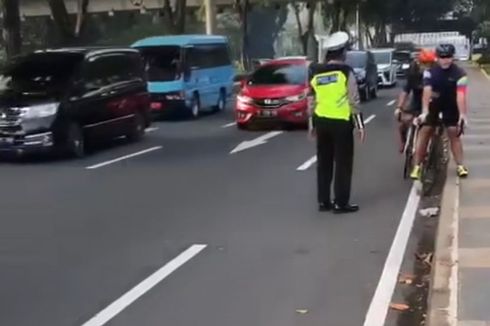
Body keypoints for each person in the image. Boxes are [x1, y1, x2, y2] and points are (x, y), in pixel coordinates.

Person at [308, 31, 366, 214]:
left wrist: (312, 124)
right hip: (341, 123)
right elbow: (353, 99)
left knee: (324, 163)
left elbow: (311, 100)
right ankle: (341, 203)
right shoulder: (345, 72)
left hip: (321, 122)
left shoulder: (315, 72)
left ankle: (324, 202)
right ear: (342, 54)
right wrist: (360, 125)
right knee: (343, 163)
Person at [410, 43, 469, 179]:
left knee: (453, 132)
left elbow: (461, 95)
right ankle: (417, 166)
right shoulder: (430, 72)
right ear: (437, 58)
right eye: (442, 57)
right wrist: (424, 112)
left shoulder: (460, 73)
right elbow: (427, 91)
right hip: (434, 104)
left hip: (451, 104)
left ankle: (460, 165)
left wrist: (462, 115)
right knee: (425, 131)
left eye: (448, 57)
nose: (445, 60)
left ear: (452, 57)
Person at [394, 49, 437, 153]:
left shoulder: (437, 73)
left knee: (437, 127)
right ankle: (404, 142)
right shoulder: (413, 72)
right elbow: (406, 91)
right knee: (403, 122)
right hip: (417, 100)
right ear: (419, 62)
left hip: (433, 102)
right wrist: (399, 108)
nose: (427, 67)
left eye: (430, 64)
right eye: (424, 64)